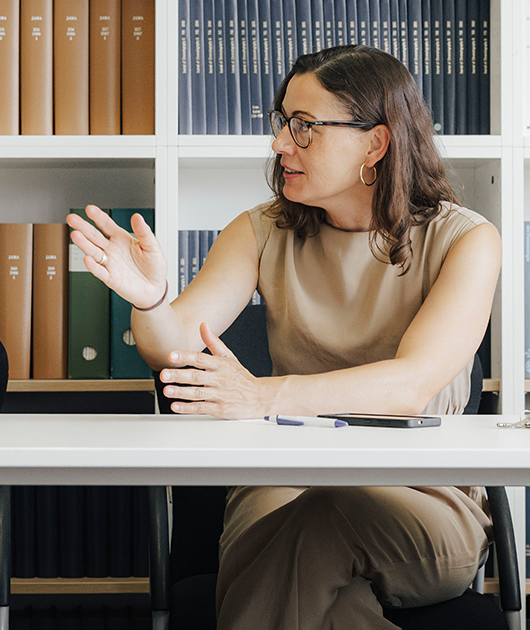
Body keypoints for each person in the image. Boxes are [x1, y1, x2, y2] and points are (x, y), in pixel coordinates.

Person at [67, 45, 502, 629]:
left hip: (422, 501)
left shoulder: (465, 240)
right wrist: (149, 297)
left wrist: (263, 397)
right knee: (331, 594)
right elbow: (171, 346)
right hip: (282, 480)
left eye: (304, 128)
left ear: (375, 143)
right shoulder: (261, 229)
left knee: (327, 517)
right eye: (282, 124)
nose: (278, 144)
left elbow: (411, 386)